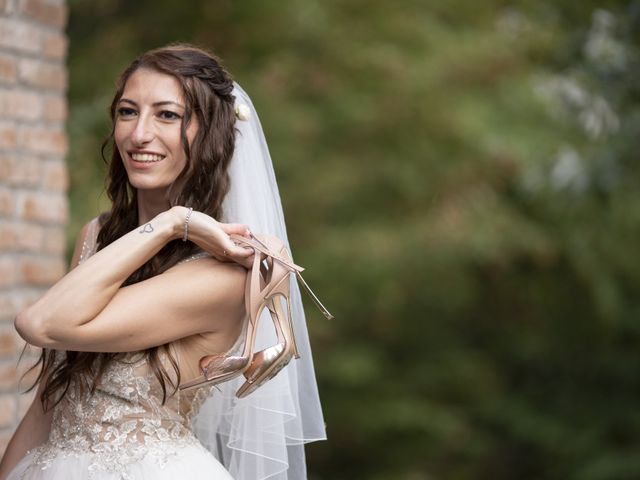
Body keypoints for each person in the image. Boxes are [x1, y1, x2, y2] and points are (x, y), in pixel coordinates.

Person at [0, 44, 328, 480]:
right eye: (127, 112)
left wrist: (178, 222)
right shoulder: (98, 237)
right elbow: (50, 402)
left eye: (167, 115)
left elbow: (40, 324)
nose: (138, 135)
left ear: (209, 133)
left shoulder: (227, 274)